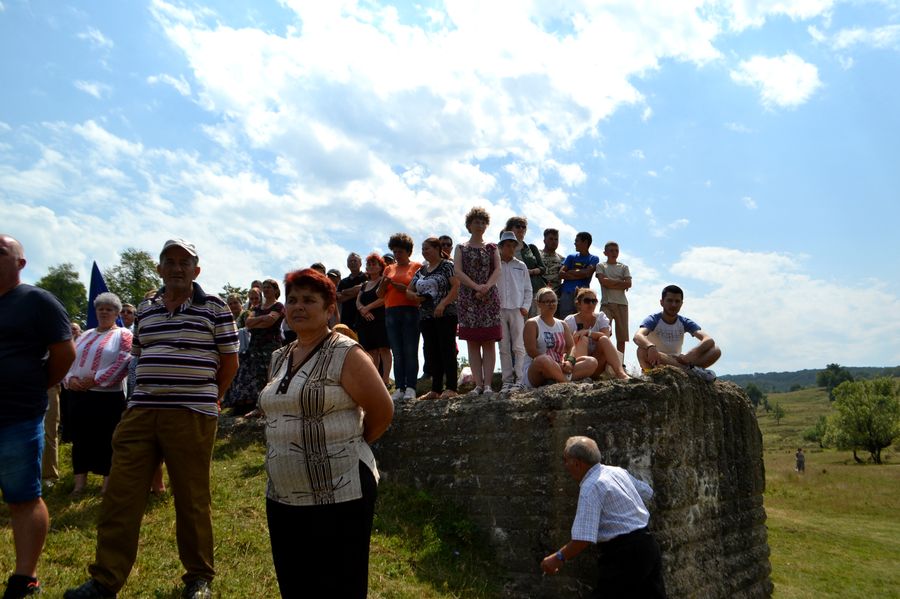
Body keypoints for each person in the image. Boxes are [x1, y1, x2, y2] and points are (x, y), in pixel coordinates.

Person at [65, 238, 239, 599]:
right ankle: (105, 580)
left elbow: (230, 362)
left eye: (184, 263)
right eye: (169, 261)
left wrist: (211, 397)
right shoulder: (145, 309)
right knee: (121, 495)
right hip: (140, 411)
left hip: (191, 413)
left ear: (196, 270)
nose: (177, 268)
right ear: (159, 269)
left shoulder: (216, 307)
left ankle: (198, 577)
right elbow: (140, 355)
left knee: (191, 497)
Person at [258, 268, 394, 598]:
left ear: (330, 309)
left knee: (339, 586)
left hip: (340, 492)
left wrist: (345, 443)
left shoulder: (346, 353)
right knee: (296, 585)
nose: (298, 306)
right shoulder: (279, 357)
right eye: (292, 300)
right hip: (283, 494)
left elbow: (382, 411)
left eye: (309, 300)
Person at [0, 234, 75, 599]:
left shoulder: (37, 301)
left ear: (20, 263)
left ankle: (24, 577)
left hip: (17, 414)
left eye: (0, 251)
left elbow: (65, 353)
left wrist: (33, 384)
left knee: (23, 496)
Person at [541, 436, 667, 599]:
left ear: (577, 463)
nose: (565, 466)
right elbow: (647, 492)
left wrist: (558, 558)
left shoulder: (591, 486)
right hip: (647, 544)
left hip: (624, 555)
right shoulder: (617, 472)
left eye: (565, 460)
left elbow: (583, 538)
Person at [63, 292, 132, 497]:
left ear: (117, 313)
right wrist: (70, 379)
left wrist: (96, 379)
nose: (104, 312)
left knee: (107, 440)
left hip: (107, 398)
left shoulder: (124, 335)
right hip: (79, 395)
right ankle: (79, 485)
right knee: (80, 439)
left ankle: (107, 486)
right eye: (100, 308)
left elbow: (123, 362)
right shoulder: (85, 334)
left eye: (109, 309)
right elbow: (70, 359)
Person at [455, 207, 502, 395]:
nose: (480, 225)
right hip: (468, 299)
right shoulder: (461, 247)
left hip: (489, 298)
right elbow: (458, 271)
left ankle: (488, 384)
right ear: (469, 225)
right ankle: (478, 385)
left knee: (489, 342)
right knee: (472, 343)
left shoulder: (492, 247)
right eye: (476, 222)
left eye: (483, 222)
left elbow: (498, 269)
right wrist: (476, 287)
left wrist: (486, 287)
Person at [407, 237, 460, 400]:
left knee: (447, 349)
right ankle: (435, 389)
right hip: (426, 316)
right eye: (423, 249)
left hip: (446, 314)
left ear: (437, 249)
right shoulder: (421, 270)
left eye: (427, 248)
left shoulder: (447, 266)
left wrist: (443, 304)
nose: (424, 252)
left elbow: (456, 286)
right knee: (432, 351)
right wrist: (415, 296)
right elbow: (409, 289)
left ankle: (451, 387)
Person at [633, 285, 721, 382]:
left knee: (715, 350)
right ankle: (690, 371)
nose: (674, 305)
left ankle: (688, 370)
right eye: (670, 301)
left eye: (677, 301)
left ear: (681, 303)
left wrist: (691, 354)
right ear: (662, 302)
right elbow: (638, 336)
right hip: (657, 359)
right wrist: (650, 346)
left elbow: (708, 340)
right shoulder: (653, 319)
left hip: (678, 360)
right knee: (642, 350)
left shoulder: (684, 321)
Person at [228, 279, 284, 416]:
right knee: (258, 376)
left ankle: (274, 406)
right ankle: (260, 407)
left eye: (269, 287)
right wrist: (263, 319)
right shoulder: (257, 308)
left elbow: (270, 322)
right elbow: (248, 322)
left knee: (272, 375)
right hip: (255, 345)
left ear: (276, 290)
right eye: (264, 287)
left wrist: (257, 322)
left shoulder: (278, 306)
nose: (266, 289)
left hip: (271, 344)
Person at [522, 288, 597, 388]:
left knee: (591, 362)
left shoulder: (562, 324)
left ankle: (557, 378)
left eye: (553, 301)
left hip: (561, 366)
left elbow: (571, 346)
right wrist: (554, 364)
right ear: (538, 304)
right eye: (547, 301)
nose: (551, 304)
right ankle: (566, 383)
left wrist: (569, 361)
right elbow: (531, 351)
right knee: (543, 359)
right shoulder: (532, 323)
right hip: (538, 370)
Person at [378, 233, 422, 401]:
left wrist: (404, 289)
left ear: (408, 251)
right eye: (395, 251)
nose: (397, 254)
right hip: (390, 311)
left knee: (410, 350)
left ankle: (411, 387)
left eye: (400, 251)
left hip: (410, 310)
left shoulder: (417, 266)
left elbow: (421, 291)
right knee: (397, 351)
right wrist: (383, 285)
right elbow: (379, 294)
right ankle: (399, 388)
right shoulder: (388, 269)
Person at [564, 288, 629, 380]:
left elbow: (606, 336)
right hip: (578, 363)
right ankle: (582, 374)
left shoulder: (601, 317)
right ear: (578, 303)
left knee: (603, 339)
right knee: (582, 339)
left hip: (598, 363)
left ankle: (621, 373)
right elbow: (566, 346)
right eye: (587, 301)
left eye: (594, 301)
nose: (591, 304)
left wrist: (588, 332)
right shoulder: (570, 321)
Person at [496, 231, 532, 393]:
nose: (511, 248)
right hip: (499, 310)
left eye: (513, 245)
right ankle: (507, 380)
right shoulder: (495, 265)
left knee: (518, 345)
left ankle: (520, 378)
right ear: (501, 247)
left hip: (517, 309)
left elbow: (528, 289)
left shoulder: (521, 265)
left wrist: (525, 306)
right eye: (508, 245)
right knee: (503, 346)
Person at [356, 253, 392, 387]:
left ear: (380, 267)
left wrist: (368, 308)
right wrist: (362, 310)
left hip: (381, 319)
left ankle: (386, 380)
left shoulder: (383, 281)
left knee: (384, 349)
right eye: (369, 264)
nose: (371, 266)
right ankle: (375, 381)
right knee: (371, 351)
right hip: (365, 321)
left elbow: (384, 298)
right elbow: (358, 301)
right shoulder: (364, 284)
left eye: (374, 264)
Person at [595, 241, 632, 354]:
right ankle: (605, 360)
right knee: (604, 333)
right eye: (611, 250)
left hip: (622, 304)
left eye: (616, 250)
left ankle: (620, 361)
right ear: (605, 253)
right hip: (606, 304)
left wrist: (610, 282)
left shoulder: (624, 267)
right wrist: (621, 283)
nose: (614, 253)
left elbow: (629, 283)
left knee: (621, 337)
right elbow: (603, 282)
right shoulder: (601, 266)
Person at [504, 216, 545, 316]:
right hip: (514, 292)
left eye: (524, 227)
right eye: (518, 226)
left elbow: (543, 268)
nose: (521, 229)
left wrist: (530, 271)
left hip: (534, 290)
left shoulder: (531, 248)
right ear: (510, 228)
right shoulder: (502, 248)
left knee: (534, 321)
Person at [558, 232, 600, 318]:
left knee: (583, 320)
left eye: (577, 241)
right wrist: (581, 274)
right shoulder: (570, 257)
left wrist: (570, 272)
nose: (575, 243)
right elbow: (561, 274)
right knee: (565, 320)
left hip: (583, 296)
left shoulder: (593, 258)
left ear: (585, 242)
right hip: (567, 293)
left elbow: (587, 273)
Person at [337, 253, 367, 332]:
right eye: (350, 261)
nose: (352, 263)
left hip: (363, 318)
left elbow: (360, 288)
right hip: (346, 320)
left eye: (355, 261)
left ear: (360, 263)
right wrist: (356, 291)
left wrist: (344, 291)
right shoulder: (343, 282)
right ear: (347, 264)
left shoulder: (367, 277)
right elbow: (339, 298)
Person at [540, 228, 564, 305]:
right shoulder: (536, 255)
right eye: (551, 239)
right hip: (538, 296)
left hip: (554, 298)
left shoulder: (562, 259)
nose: (554, 242)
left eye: (556, 239)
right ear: (544, 240)